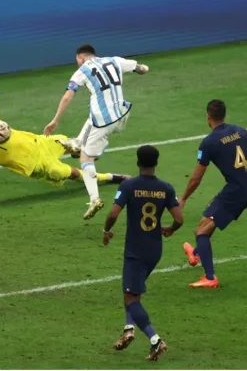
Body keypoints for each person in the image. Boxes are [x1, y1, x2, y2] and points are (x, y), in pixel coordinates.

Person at [0, 83, 129, 191]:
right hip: (36, 165)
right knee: (72, 173)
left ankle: (92, 151)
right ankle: (111, 177)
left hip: (40, 143)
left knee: (73, 144)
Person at [44, 44, 150, 219]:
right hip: (122, 115)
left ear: (80, 57)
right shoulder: (114, 60)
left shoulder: (83, 70)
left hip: (104, 122)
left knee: (86, 158)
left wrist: (55, 120)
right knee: (93, 114)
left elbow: (67, 96)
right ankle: (78, 142)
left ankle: (94, 199)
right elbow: (141, 69)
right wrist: (143, 68)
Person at [102, 145, 182, 361]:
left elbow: (113, 213)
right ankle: (128, 327)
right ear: (156, 163)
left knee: (131, 297)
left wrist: (107, 230)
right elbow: (179, 219)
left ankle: (155, 340)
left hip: (135, 250)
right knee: (131, 291)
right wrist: (170, 229)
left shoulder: (129, 186)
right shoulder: (166, 188)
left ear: (138, 163)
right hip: (155, 250)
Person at [179, 100, 247, 288]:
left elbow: (196, 178)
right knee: (207, 224)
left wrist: (184, 198)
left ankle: (210, 278)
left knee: (201, 231)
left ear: (208, 116)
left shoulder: (209, 142)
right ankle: (195, 254)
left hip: (235, 192)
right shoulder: (240, 130)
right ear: (224, 114)